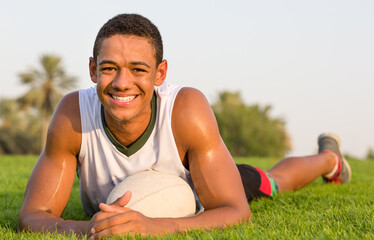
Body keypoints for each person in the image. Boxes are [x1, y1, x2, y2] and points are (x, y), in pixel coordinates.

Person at [18, 13, 351, 238]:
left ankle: (330, 159)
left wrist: (151, 227)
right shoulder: (72, 115)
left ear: (160, 74)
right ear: (92, 70)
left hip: (201, 190)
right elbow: (33, 214)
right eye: (109, 68)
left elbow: (234, 211)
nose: (122, 83)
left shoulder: (185, 110)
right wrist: (91, 228)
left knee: (271, 182)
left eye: (138, 69)